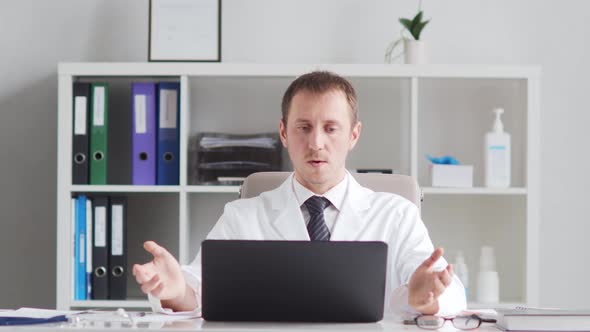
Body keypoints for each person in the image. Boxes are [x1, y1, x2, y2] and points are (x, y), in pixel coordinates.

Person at [133, 71, 467, 317]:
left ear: (353, 134)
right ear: (283, 132)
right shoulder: (244, 216)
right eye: (303, 127)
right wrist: (176, 291)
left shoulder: (395, 214)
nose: (316, 143)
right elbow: (199, 292)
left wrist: (426, 298)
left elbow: (448, 291)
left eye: (330, 128)